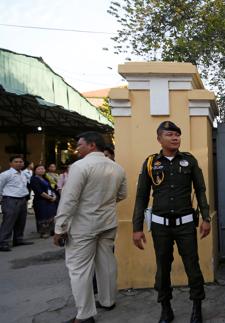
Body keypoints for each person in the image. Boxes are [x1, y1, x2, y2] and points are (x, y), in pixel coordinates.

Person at [132, 121, 211, 323]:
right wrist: (137, 228)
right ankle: (166, 309)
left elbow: (200, 190)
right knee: (163, 268)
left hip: (185, 224)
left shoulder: (189, 161)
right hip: (160, 226)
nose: (175, 137)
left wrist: (206, 217)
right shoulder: (151, 163)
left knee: (192, 266)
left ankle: (197, 308)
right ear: (159, 139)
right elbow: (141, 196)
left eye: (177, 134)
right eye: (169, 134)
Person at [53, 132, 127, 323]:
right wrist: (104, 203)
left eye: (80, 144)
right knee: (107, 261)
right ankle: (108, 300)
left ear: (92, 145)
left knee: (79, 268)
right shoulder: (117, 167)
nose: (78, 148)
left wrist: (60, 228)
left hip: (83, 225)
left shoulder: (80, 166)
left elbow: (69, 199)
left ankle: (85, 315)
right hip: (107, 222)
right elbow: (122, 194)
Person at [0, 156, 34, 251]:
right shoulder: (5, 174)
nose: (19, 163)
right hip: (10, 200)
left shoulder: (23, 174)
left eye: (21, 162)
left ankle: (18, 239)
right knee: (8, 222)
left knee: (21, 221)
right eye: (16, 162)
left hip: (22, 200)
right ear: (10, 163)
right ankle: (3, 242)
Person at [29, 164, 58, 238]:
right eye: (39, 169)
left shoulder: (45, 178)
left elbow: (51, 189)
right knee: (42, 216)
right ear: (35, 171)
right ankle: (44, 232)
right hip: (40, 200)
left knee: (51, 215)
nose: (41, 170)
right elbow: (39, 191)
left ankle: (51, 230)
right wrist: (49, 198)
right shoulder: (34, 179)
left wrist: (54, 196)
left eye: (42, 169)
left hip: (49, 200)